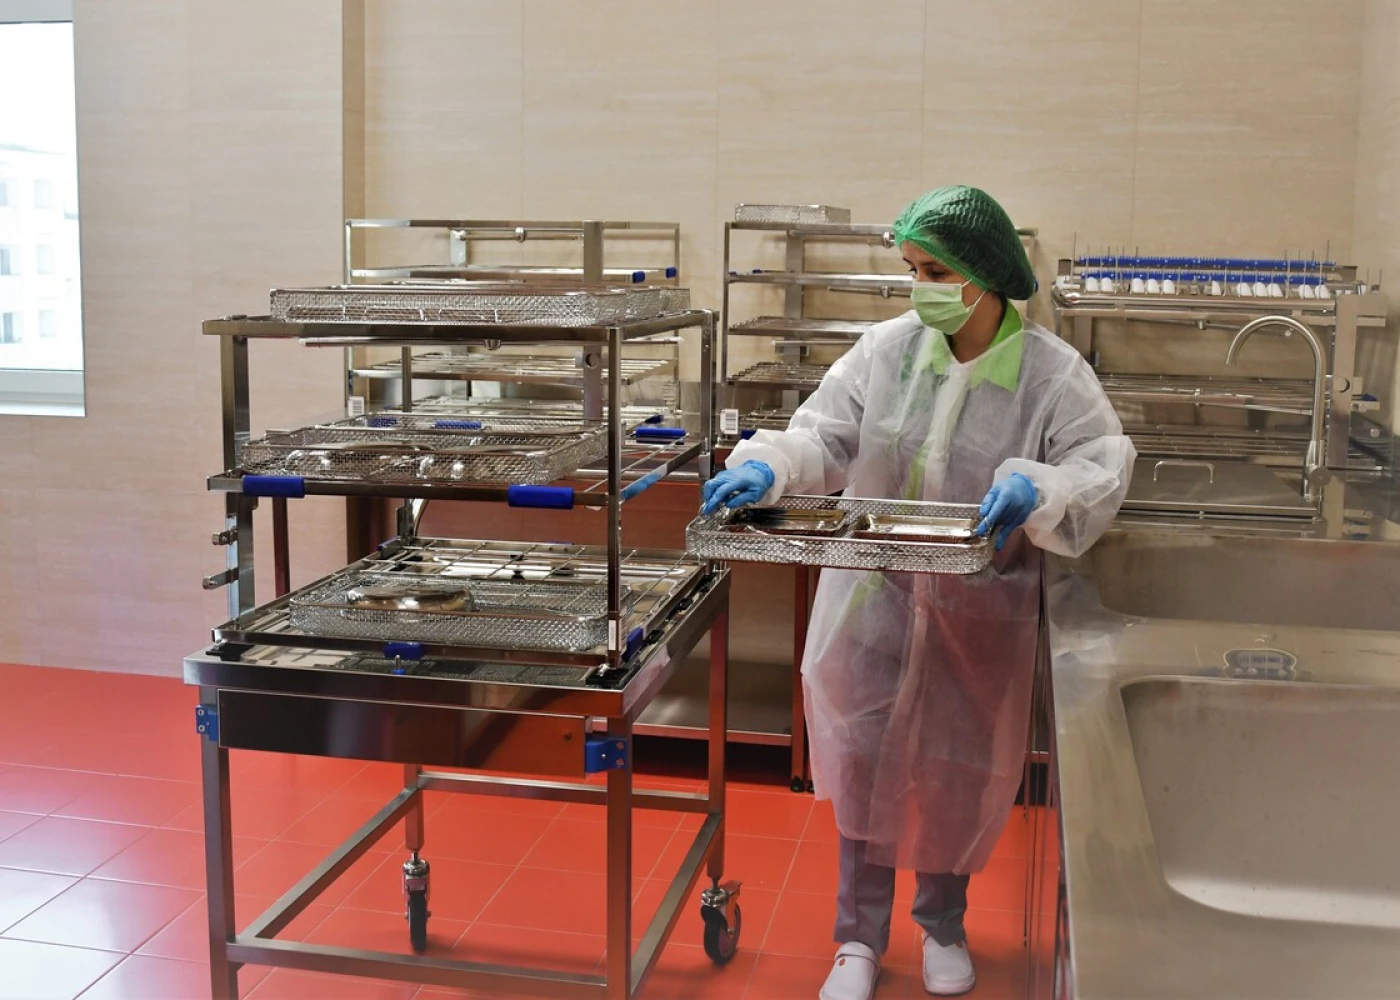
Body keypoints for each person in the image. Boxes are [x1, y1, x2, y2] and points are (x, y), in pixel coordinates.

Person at [702, 186, 1134, 999]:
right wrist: (770, 467)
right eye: (911, 270)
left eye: (935, 272)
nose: (919, 287)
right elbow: (824, 434)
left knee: (953, 771)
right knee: (864, 767)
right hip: (874, 604)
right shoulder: (888, 351)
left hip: (980, 613)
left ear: (985, 275)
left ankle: (942, 925)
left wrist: (1042, 489)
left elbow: (1099, 466)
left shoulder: (1051, 376)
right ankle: (857, 940)